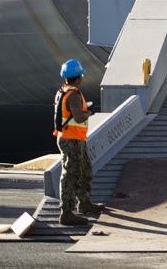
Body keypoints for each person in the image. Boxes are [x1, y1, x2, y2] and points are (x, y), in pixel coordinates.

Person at [53, 59, 105, 226]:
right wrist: (89, 112)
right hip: (72, 140)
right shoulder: (74, 95)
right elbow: (78, 117)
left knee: (84, 170)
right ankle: (66, 213)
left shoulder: (63, 91)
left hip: (75, 139)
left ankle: (84, 203)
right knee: (70, 175)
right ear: (78, 77)